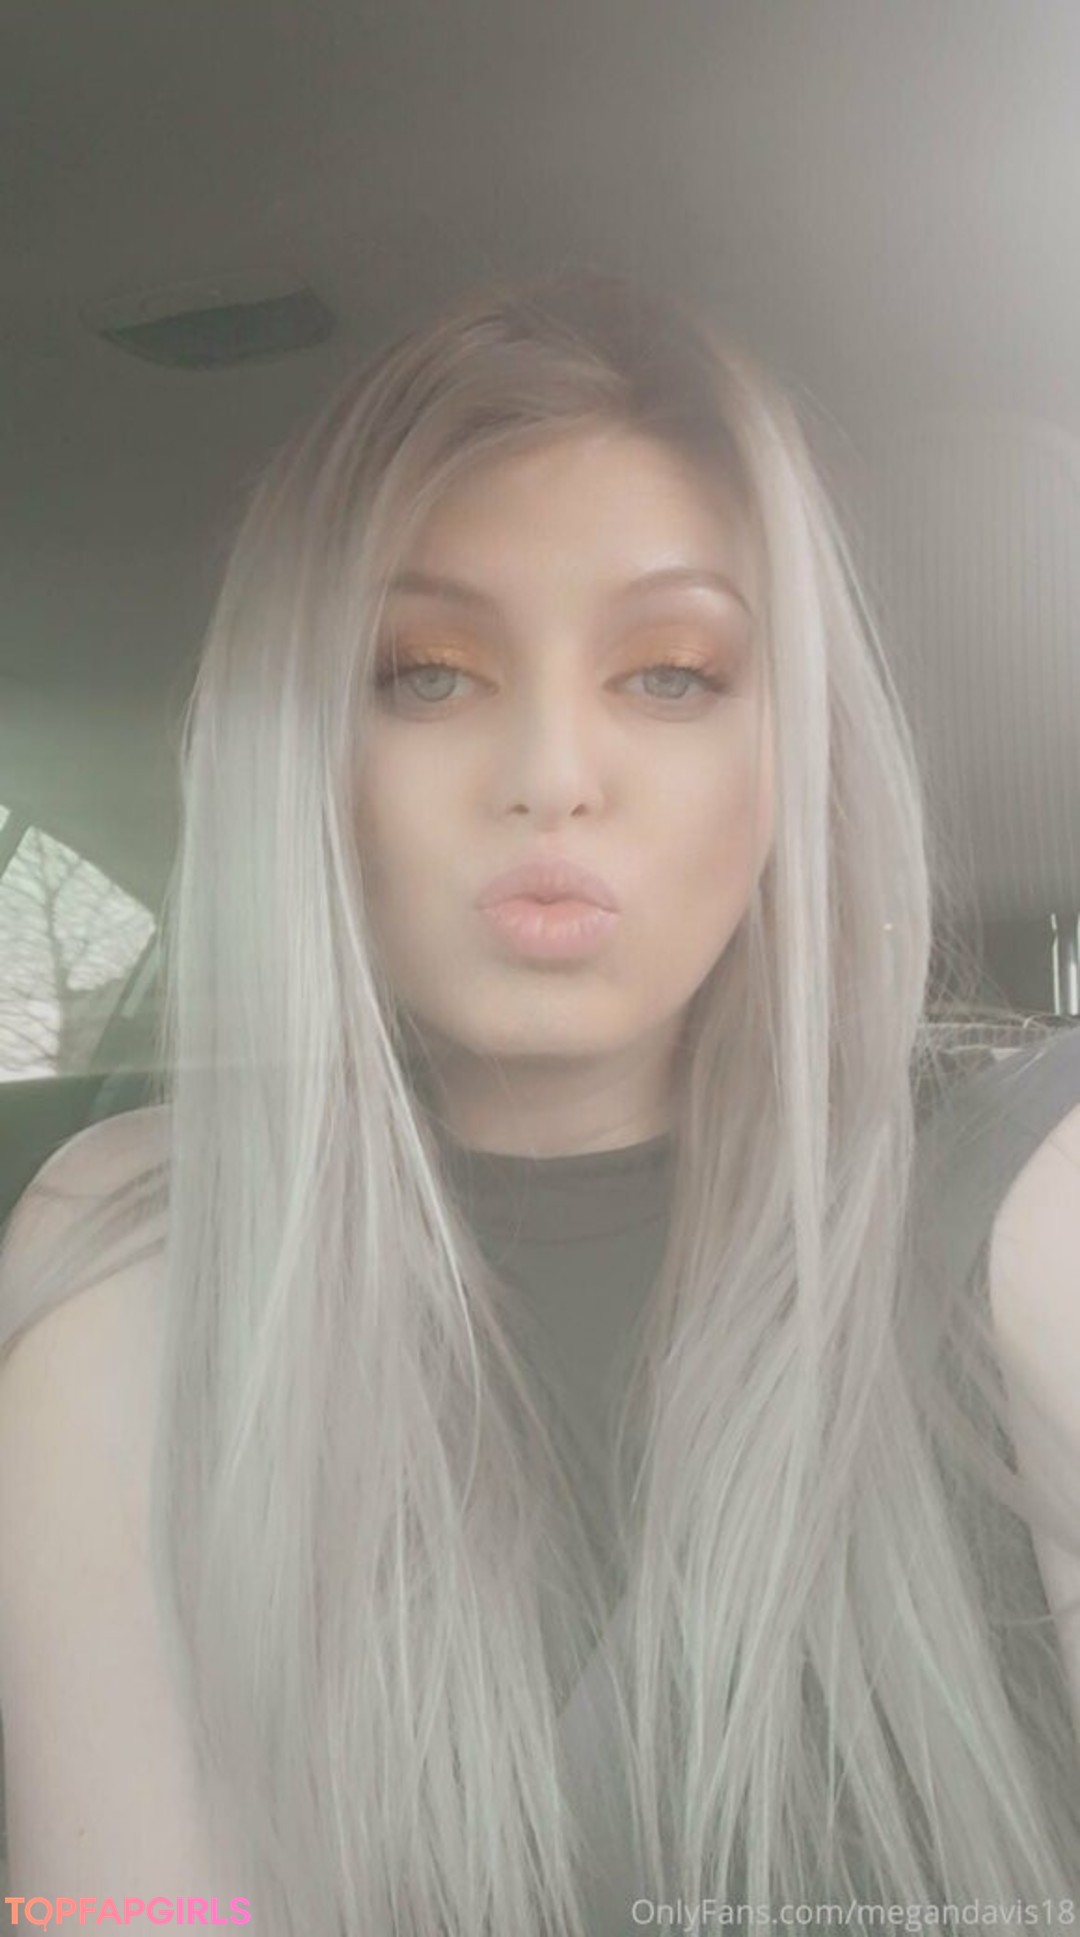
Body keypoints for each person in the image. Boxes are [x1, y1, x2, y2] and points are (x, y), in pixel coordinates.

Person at [0, 267, 1078, 1935]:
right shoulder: (135, 1280)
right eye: (427, 673)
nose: (553, 773)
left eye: (672, 674)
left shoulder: (1029, 1206)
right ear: (310, 763)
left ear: (789, 756)